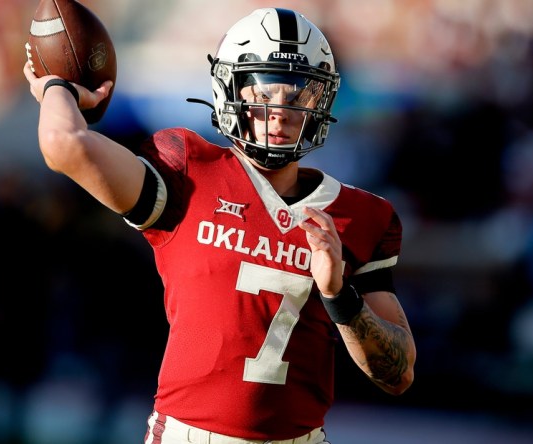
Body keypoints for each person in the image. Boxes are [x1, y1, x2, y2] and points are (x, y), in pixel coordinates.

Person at [23, 7, 416, 444]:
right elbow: (63, 144)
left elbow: (398, 374)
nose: (281, 110)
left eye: (298, 93)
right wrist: (58, 87)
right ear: (231, 90)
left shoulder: (360, 216)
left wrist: (340, 295)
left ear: (320, 101)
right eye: (265, 90)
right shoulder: (188, 173)